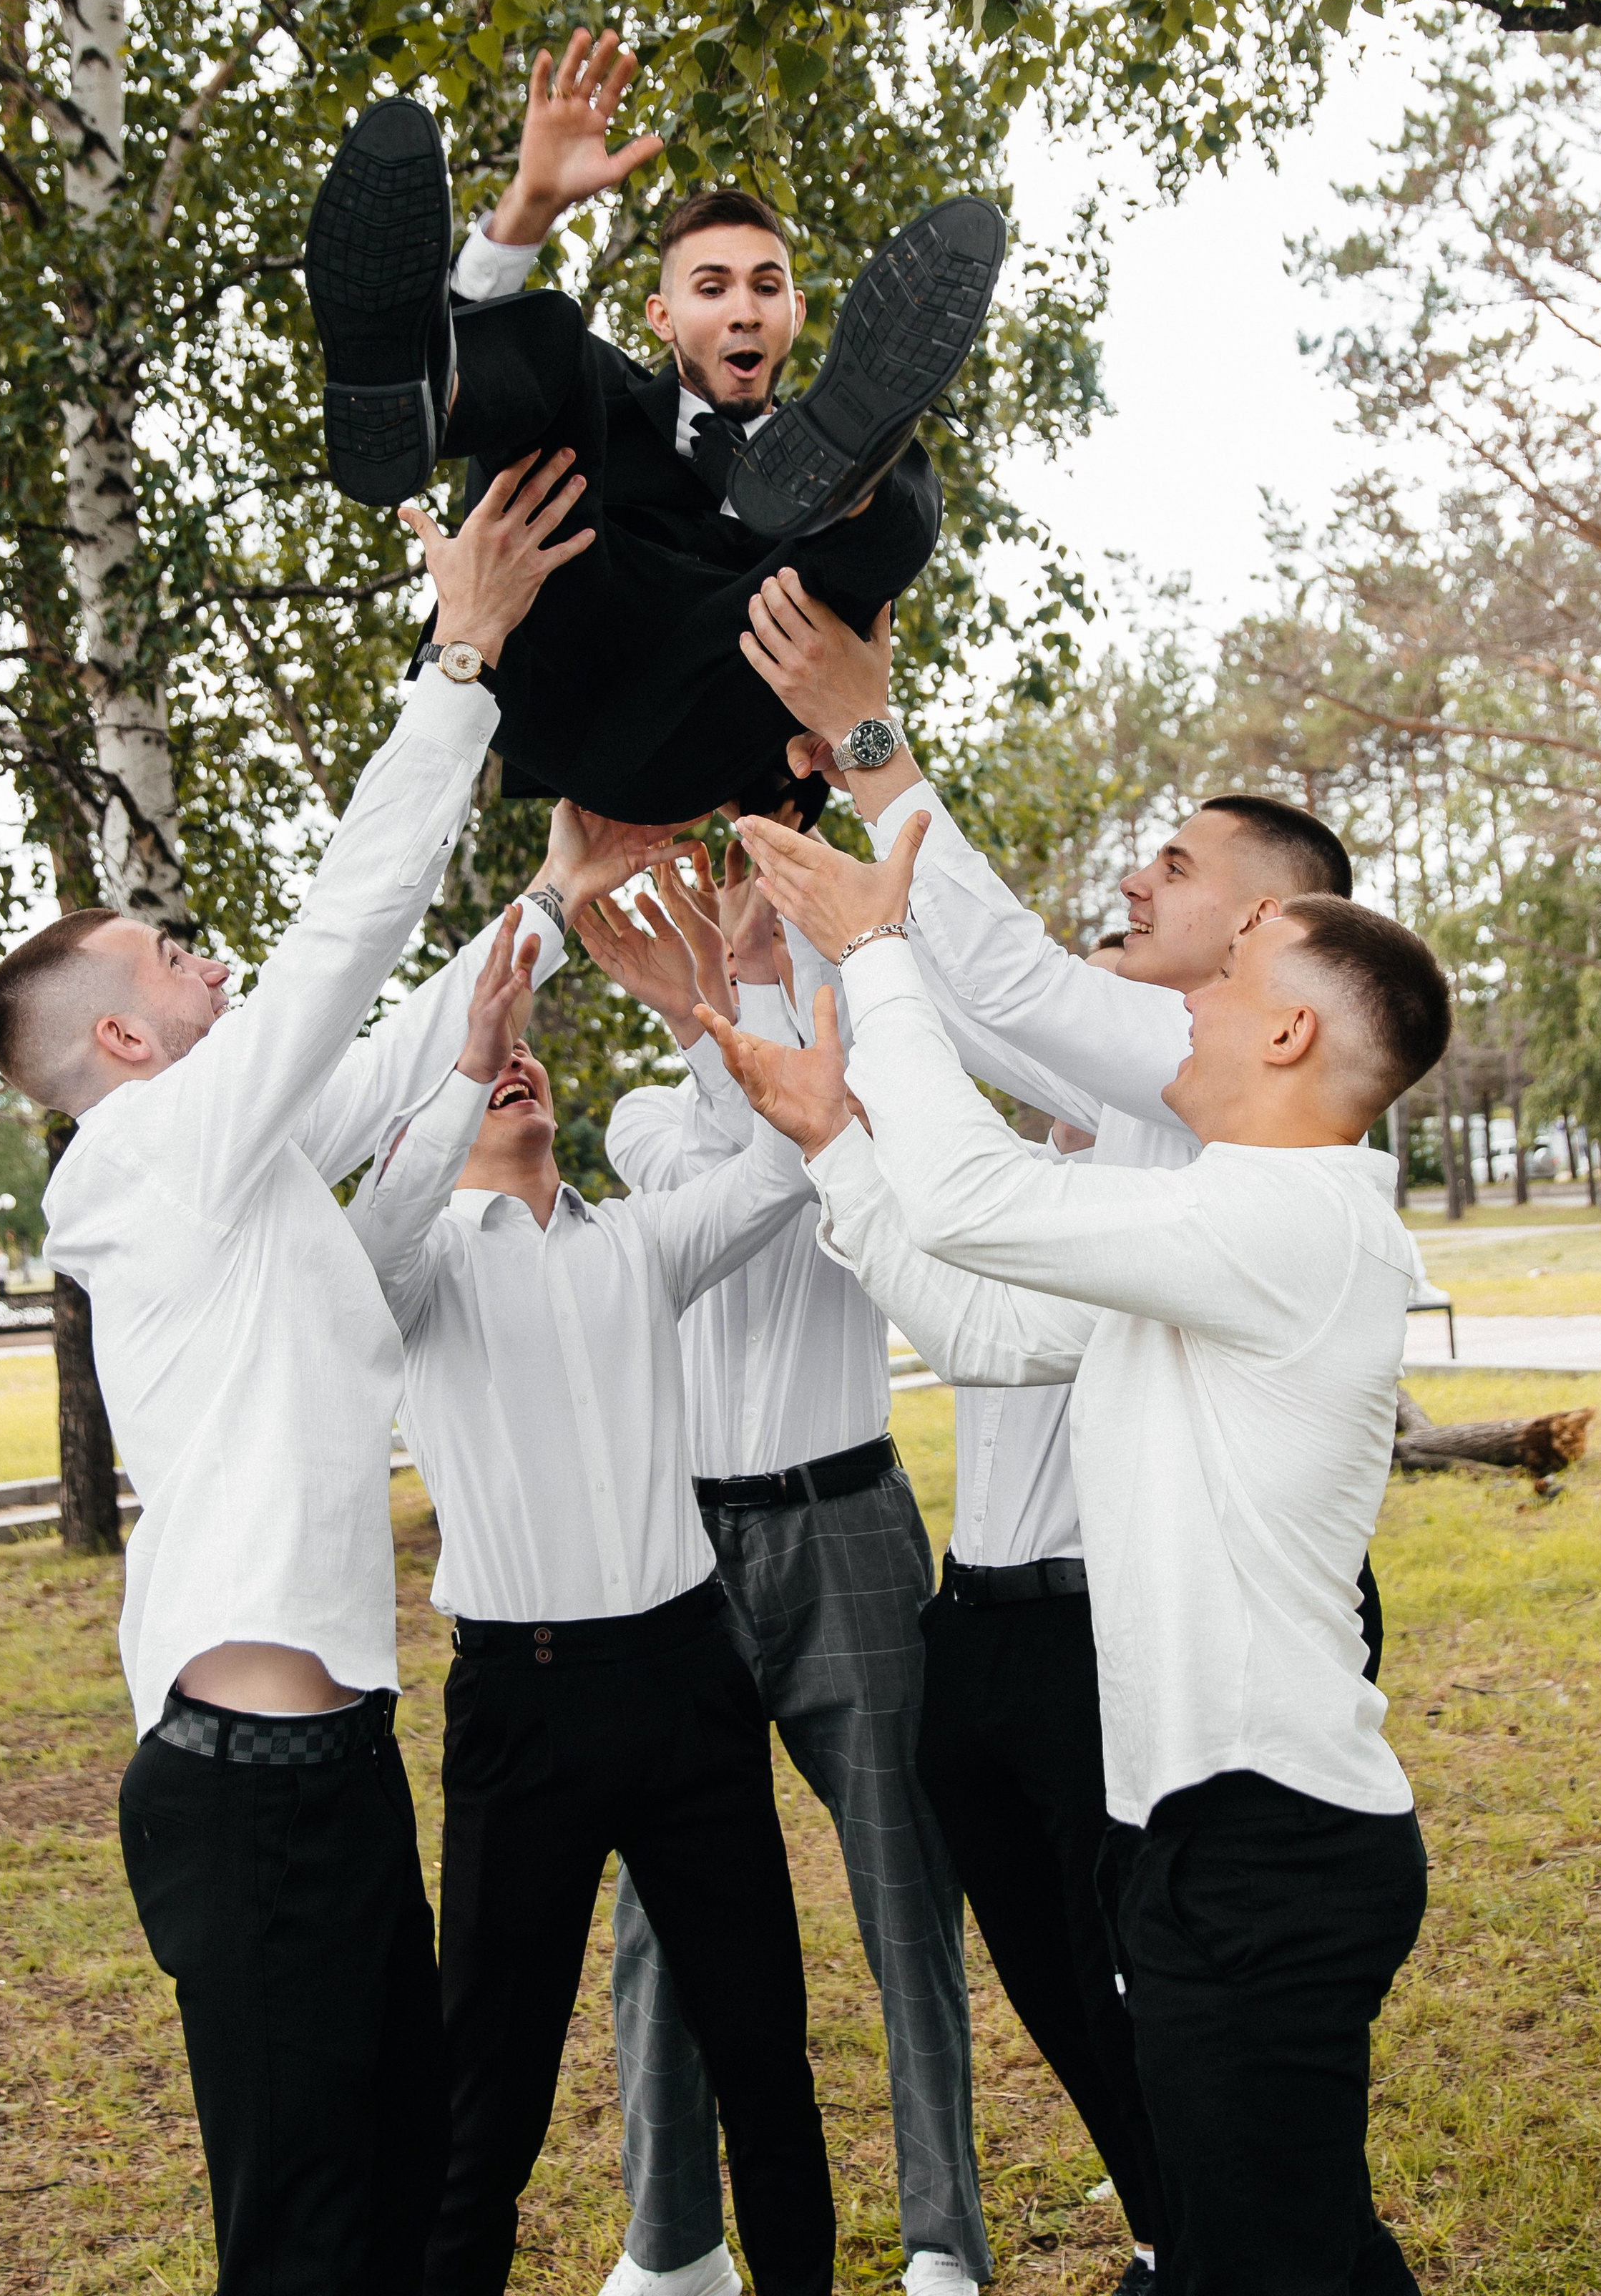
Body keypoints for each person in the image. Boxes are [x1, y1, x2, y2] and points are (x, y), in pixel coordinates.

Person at [0, 457, 673, 2296]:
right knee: (303, 2233)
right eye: (174, 958)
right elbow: (335, 960)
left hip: (336, 1766)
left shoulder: (243, 1178)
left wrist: (545, 901)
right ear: (123, 1036)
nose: (212, 965)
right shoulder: (138, 1158)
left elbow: (379, 1127)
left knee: (402, 2179)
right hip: (247, 1788)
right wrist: (457, 666)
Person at [705, 812, 1451, 2296]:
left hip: (1271, 1852)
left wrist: (874, 952)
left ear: (1290, 1031)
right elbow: (986, 1324)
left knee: (1268, 2254)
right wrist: (833, 1141)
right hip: (1205, 1835)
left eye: (1224, 981)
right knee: (1262, 2242)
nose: (1182, 1005)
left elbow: (979, 1196)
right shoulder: (1200, 1228)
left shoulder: (1286, 1224)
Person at [739, 572, 1387, 1675]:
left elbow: (1011, 985)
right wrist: (808, 853)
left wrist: (869, 737)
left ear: (1264, 922)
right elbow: (946, 1012)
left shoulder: (1218, 1069)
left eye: (1174, 867)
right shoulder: (1161, 1077)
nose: (1134, 884)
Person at [346, 899, 836, 2296]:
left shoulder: (641, 1245)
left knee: (763, 2060)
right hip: (523, 1710)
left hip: (690, 1689)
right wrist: (458, 1058)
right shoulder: (411, 1276)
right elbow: (370, 1245)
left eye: (519, 1056)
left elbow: (784, 1166)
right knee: (480, 2098)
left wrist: (703, 1019)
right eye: (483, 1069)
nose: (517, 1065)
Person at [578, 858, 989, 2296]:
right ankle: (672, 2241)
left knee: (902, 1894)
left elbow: (820, 1124)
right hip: (680, 1554)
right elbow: (732, 1144)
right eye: (723, 901)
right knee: (660, 1909)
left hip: (846, 1530)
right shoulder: (647, 1122)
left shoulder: (848, 1103)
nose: (735, 916)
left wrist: (757, 974)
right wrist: (713, 1007)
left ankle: (942, 2233)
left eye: (754, 898)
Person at [302, 27, 1006, 823]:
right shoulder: (606, 399)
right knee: (555, 337)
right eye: (713, 289)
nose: (743, 309)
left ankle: (845, 485)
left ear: (797, 314)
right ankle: (417, 381)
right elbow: (535, 363)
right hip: (555, 661)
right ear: (662, 317)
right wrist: (532, 204)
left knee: (899, 481)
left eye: (766, 288)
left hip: (696, 722)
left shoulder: (817, 495)